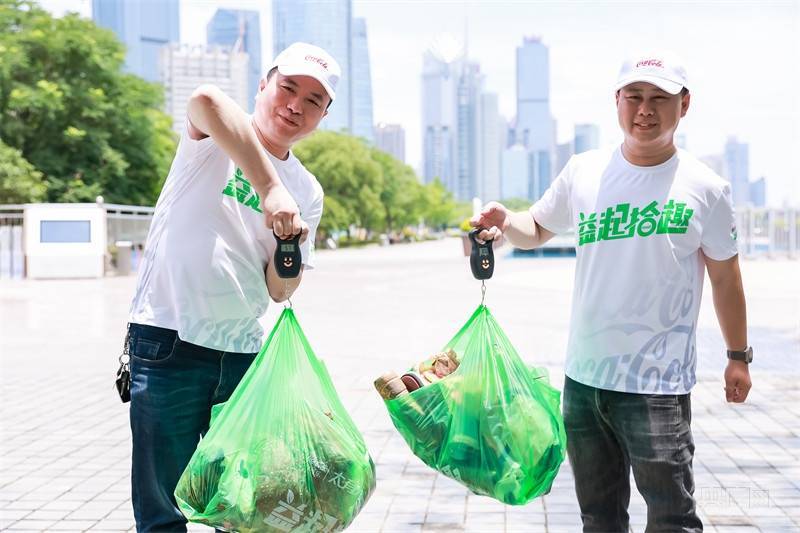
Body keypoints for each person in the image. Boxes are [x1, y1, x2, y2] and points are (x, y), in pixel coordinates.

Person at [472, 51, 752, 532]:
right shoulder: (584, 170)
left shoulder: (706, 188)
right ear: (617, 102)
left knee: (672, 517)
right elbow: (536, 228)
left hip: (657, 386)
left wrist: (737, 356)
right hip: (584, 382)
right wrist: (504, 222)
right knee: (598, 518)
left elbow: (726, 277)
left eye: (659, 98)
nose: (645, 109)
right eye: (634, 97)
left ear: (683, 105)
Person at [124, 42, 340, 532]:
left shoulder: (307, 190)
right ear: (263, 86)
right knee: (163, 506)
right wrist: (269, 188)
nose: (295, 106)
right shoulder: (216, 136)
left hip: (244, 355)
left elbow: (281, 290)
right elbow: (204, 98)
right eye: (288, 88)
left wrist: (288, 246)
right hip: (168, 341)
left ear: (323, 115)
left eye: (313, 101)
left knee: (245, 508)